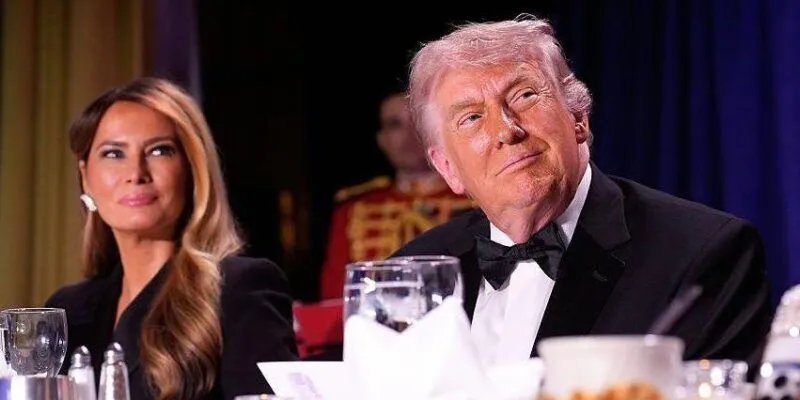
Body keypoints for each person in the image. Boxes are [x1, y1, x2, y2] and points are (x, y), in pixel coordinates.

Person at [392, 14, 773, 372]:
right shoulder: (413, 270)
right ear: (447, 168)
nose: (506, 130)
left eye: (524, 96)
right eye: (472, 118)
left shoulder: (702, 254)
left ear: (577, 117)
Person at [45, 77, 298, 399]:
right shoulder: (65, 311)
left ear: (192, 170)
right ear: (86, 178)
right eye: (113, 154)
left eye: (159, 150)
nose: (136, 173)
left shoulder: (238, 288)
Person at [317, 89, 474, 300]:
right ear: (382, 140)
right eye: (395, 124)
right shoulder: (353, 208)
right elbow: (335, 295)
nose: (408, 134)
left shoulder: (474, 198)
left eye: (416, 122)